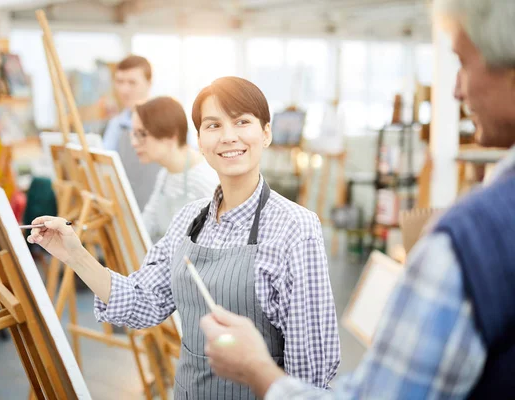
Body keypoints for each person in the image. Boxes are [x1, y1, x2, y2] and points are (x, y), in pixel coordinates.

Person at [199, 1, 515, 399]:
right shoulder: (194, 220)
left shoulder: (467, 242)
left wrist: (258, 371)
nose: (455, 89)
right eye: (213, 126)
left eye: (464, 62)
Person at [27, 76, 340, 399]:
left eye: (242, 122)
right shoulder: (189, 219)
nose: (228, 137)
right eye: (213, 125)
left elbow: (311, 371)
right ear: (201, 140)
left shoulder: (297, 229)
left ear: (266, 133)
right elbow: (142, 301)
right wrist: (75, 255)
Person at [131, 96, 219, 243]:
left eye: (142, 134)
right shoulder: (165, 174)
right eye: (134, 134)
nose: (134, 143)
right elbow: (147, 224)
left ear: (171, 136)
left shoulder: (206, 180)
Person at [103, 55, 160, 209]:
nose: (124, 90)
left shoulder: (166, 122)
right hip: (125, 211)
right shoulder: (115, 124)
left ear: (149, 84)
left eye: (132, 83)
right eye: (120, 82)